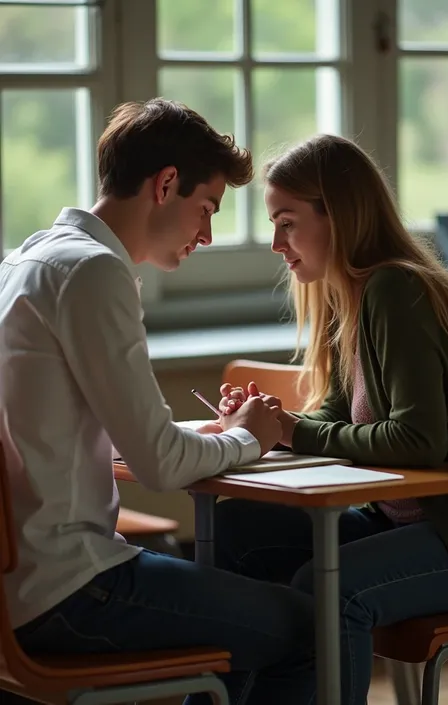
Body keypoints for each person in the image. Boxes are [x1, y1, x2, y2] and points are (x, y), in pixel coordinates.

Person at [0, 99, 318, 705]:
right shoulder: (93, 272)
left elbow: (100, 438)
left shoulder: (28, 259)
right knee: (309, 628)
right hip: (71, 588)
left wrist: (212, 439)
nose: (207, 234)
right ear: (166, 184)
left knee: (243, 612)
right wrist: (251, 436)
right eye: (207, 209)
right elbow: (161, 467)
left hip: (20, 584)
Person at [214, 134, 448, 705]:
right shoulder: (348, 294)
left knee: (335, 590)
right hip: (400, 522)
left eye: (287, 222)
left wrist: (291, 432)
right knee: (235, 532)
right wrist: (269, 422)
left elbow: (417, 440)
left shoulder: (396, 288)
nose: (278, 244)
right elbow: (337, 411)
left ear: (340, 215)